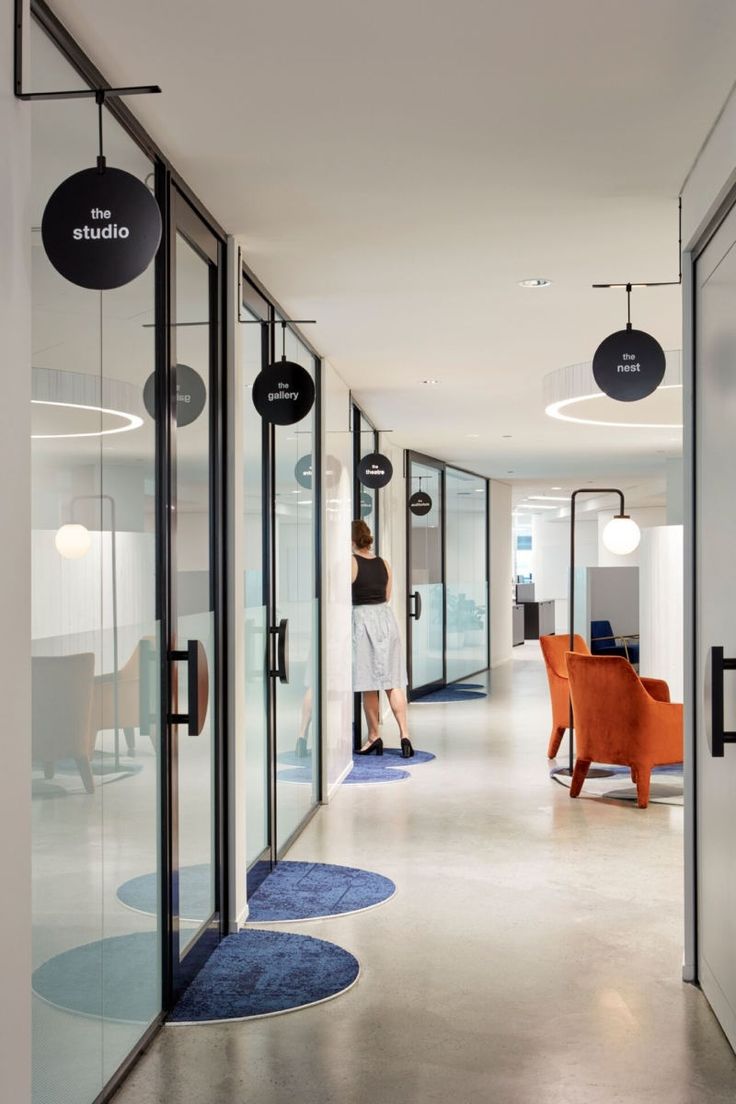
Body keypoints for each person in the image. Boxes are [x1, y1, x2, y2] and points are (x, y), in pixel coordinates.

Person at [351, 518, 414, 758]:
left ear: (352, 540)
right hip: (386, 621)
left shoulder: (351, 562)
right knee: (392, 682)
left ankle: (373, 736)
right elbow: (387, 596)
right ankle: (405, 735)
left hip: (362, 619)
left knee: (368, 683)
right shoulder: (384, 563)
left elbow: (341, 594)